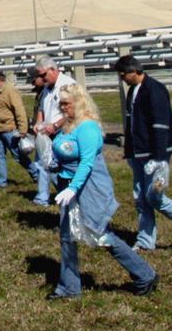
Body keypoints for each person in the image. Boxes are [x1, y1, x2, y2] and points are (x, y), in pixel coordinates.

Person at [48, 82, 158, 300]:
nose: (62, 108)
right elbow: (65, 149)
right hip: (67, 187)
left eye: (66, 103)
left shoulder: (87, 128)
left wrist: (73, 188)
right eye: (60, 103)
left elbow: (86, 163)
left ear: (79, 103)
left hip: (87, 189)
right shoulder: (67, 125)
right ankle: (69, 287)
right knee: (67, 237)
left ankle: (145, 274)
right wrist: (54, 162)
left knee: (101, 235)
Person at [114, 54, 172, 252]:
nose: (122, 78)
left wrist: (159, 158)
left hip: (155, 155)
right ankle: (146, 240)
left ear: (133, 71)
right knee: (141, 198)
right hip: (138, 154)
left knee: (154, 197)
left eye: (123, 74)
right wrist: (130, 153)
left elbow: (160, 125)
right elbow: (132, 124)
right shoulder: (133, 91)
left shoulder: (154, 90)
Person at [32, 58, 76, 205]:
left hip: (63, 132)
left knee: (61, 166)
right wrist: (38, 123)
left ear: (52, 69)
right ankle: (42, 197)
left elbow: (73, 111)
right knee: (42, 164)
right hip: (46, 133)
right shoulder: (46, 88)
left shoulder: (67, 85)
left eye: (43, 75)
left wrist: (55, 126)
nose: (41, 79)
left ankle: (68, 194)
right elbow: (41, 109)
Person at [0, 69, 31, 187]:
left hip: (9, 130)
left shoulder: (10, 90)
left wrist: (23, 129)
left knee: (18, 155)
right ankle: (0, 181)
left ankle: (37, 174)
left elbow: (19, 110)